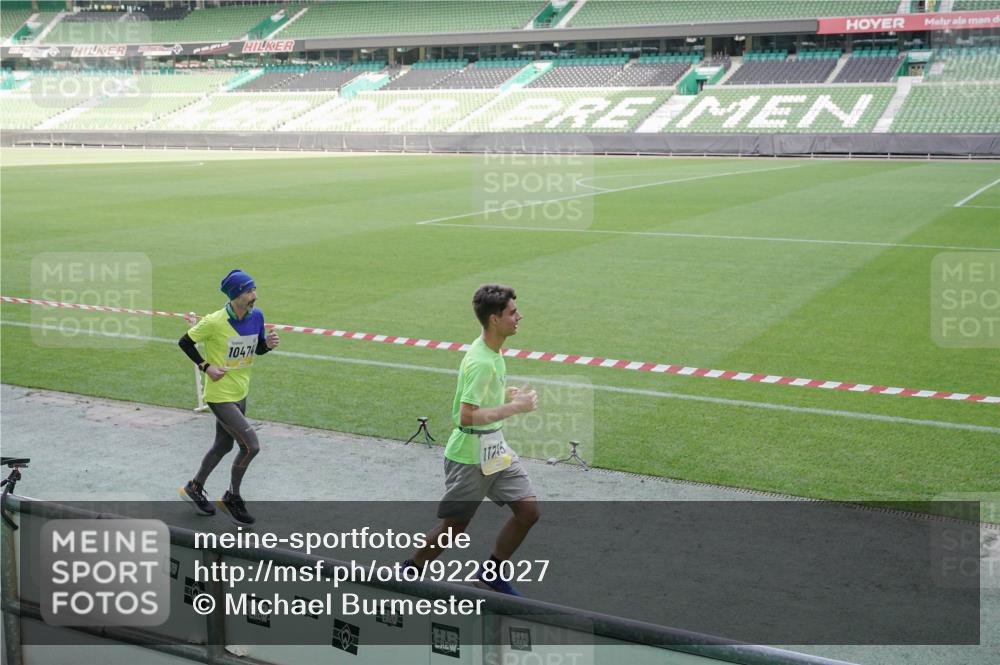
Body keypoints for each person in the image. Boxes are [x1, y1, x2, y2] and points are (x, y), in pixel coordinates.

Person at [405, 284, 539, 595]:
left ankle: (491, 573)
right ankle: (409, 571)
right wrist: (514, 407)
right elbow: (466, 416)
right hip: (469, 454)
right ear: (495, 319)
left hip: (493, 447)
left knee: (529, 511)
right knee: (454, 528)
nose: (519, 317)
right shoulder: (481, 361)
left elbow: (481, 397)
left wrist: (505, 395)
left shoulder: (492, 351)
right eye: (513, 312)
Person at [177, 269, 279, 526]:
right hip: (220, 395)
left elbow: (257, 348)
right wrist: (206, 366)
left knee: (223, 446)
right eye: (248, 291)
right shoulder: (214, 321)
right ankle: (232, 497)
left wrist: (268, 345)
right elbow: (184, 342)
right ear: (235, 295)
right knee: (250, 446)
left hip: (240, 391)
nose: (254, 295)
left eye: (254, 289)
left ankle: (194, 487)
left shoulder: (257, 316)